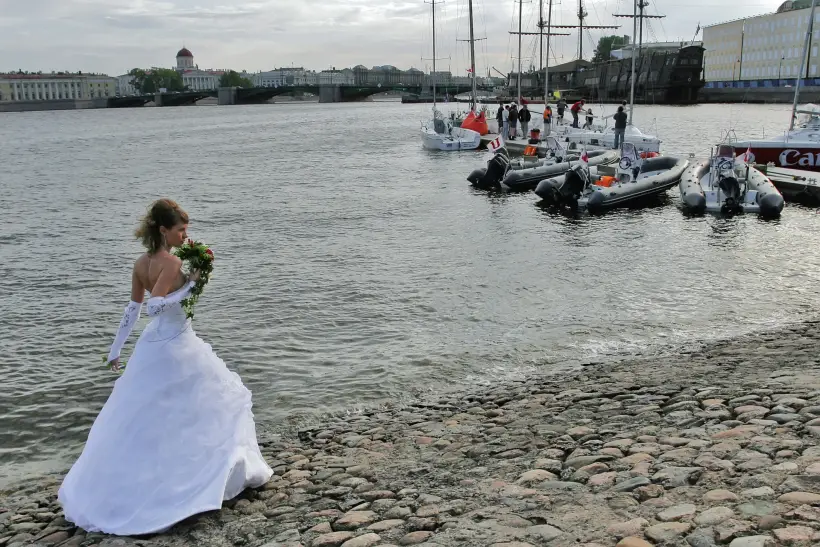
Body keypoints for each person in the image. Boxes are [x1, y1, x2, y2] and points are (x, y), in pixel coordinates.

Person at [59, 199, 272, 536]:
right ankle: (188, 485)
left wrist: (116, 350)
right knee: (203, 405)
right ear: (163, 230)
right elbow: (154, 308)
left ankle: (149, 482)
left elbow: (132, 309)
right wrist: (191, 283)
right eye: (180, 230)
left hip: (151, 346)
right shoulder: (172, 264)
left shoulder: (141, 263)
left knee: (152, 416)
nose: (186, 236)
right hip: (175, 345)